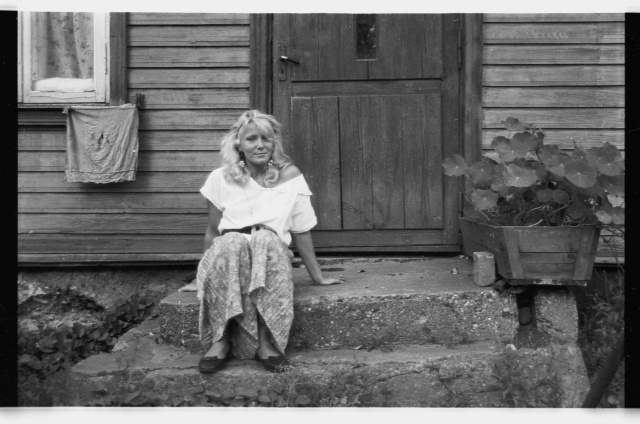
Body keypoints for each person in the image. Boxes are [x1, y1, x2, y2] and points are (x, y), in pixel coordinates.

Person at [179, 110, 342, 374]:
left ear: (274, 143)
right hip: (229, 252)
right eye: (251, 139)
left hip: (270, 251)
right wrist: (200, 279)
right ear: (238, 145)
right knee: (231, 240)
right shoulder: (220, 178)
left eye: (266, 139)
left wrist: (317, 277)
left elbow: (301, 231)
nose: (259, 145)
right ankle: (220, 340)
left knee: (265, 238)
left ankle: (265, 342)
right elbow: (212, 231)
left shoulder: (290, 177)